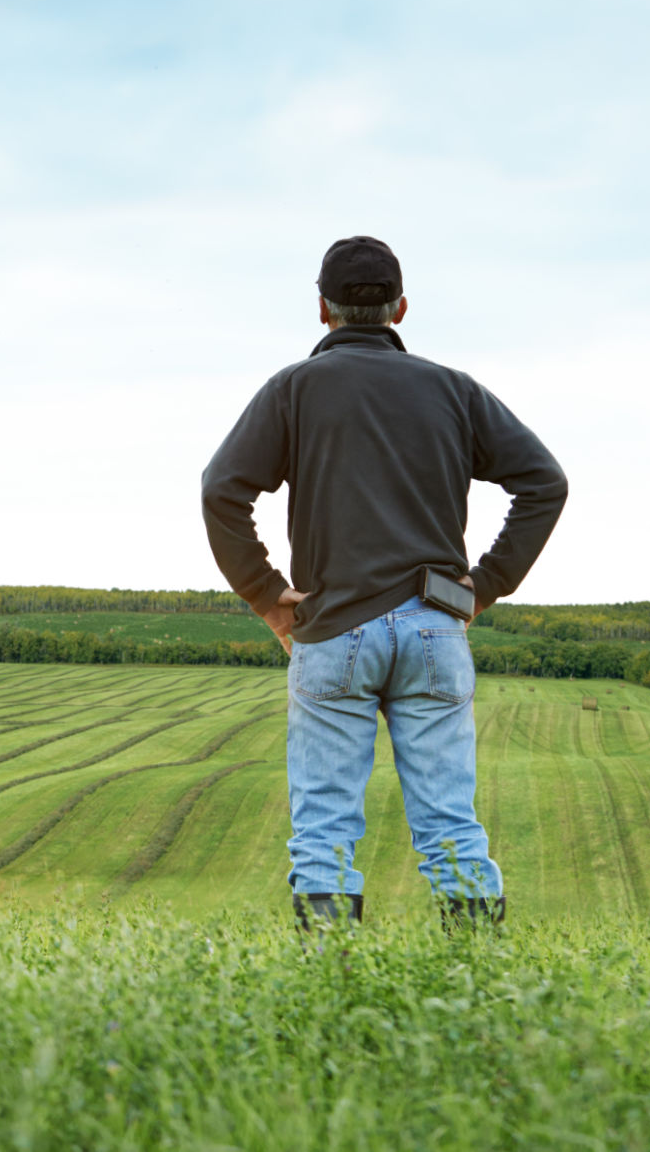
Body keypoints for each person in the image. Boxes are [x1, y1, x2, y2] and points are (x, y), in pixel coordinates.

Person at [199, 236, 567, 931]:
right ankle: (478, 974)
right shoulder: (455, 390)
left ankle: (332, 978)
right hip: (435, 625)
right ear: (400, 308)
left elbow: (222, 491)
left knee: (324, 827)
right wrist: (485, 585)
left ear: (322, 309)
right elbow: (545, 482)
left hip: (332, 627)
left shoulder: (293, 389)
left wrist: (267, 596)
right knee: (450, 822)